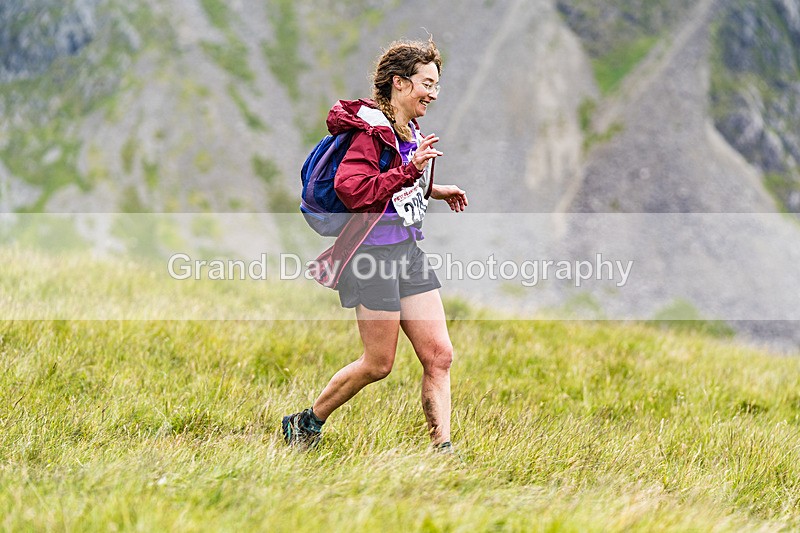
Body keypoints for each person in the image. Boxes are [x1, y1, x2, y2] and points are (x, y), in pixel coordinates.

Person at [282, 37, 468, 453]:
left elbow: (397, 185)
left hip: (407, 253)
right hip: (372, 257)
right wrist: (410, 169)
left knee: (439, 355)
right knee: (378, 363)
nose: (434, 93)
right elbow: (354, 190)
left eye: (436, 85)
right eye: (427, 84)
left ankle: (443, 451)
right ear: (399, 83)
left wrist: (434, 189)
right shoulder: (370, 133)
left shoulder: (408, 129)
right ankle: (306, 423)